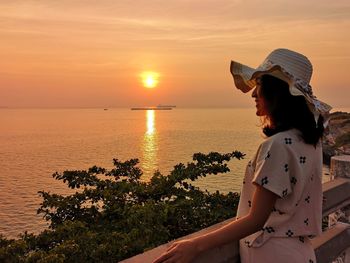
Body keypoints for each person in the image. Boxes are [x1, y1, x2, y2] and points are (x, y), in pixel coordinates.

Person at [153, 48, 332, 263]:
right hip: (299, 251)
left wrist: (195, 244)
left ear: (277, 92)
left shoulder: (277, 145)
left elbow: (255, 220)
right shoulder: (310, 141)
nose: (254, 93)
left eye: (259, 85)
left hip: (272, 254)